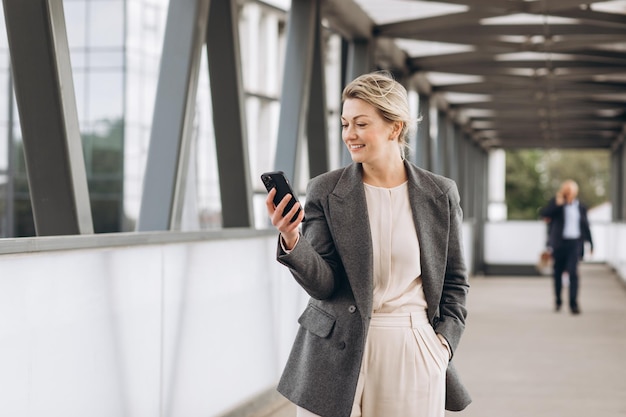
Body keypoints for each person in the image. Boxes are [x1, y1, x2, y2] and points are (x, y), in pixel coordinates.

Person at [265, 71, 471, 417]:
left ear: (395, 128)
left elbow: (454, 280)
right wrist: (292, 239)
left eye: (361, 124)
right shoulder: (326, 190)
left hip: (411, 349)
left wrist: (443, 344)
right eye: (345, 124)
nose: (350, 135)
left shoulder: (439, 193)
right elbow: (324, 284)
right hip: (332, 352)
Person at [539, 180, 593, 314]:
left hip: (574, 243)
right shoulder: (557, 204)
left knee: (573, 273)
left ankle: (573, 304)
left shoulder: (580, 206)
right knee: (557, 273)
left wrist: (591, 243)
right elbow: (545, 215)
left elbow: (586, 226)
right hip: (559, 243)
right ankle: (558, 300)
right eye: (567, 191)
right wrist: (558, 203)